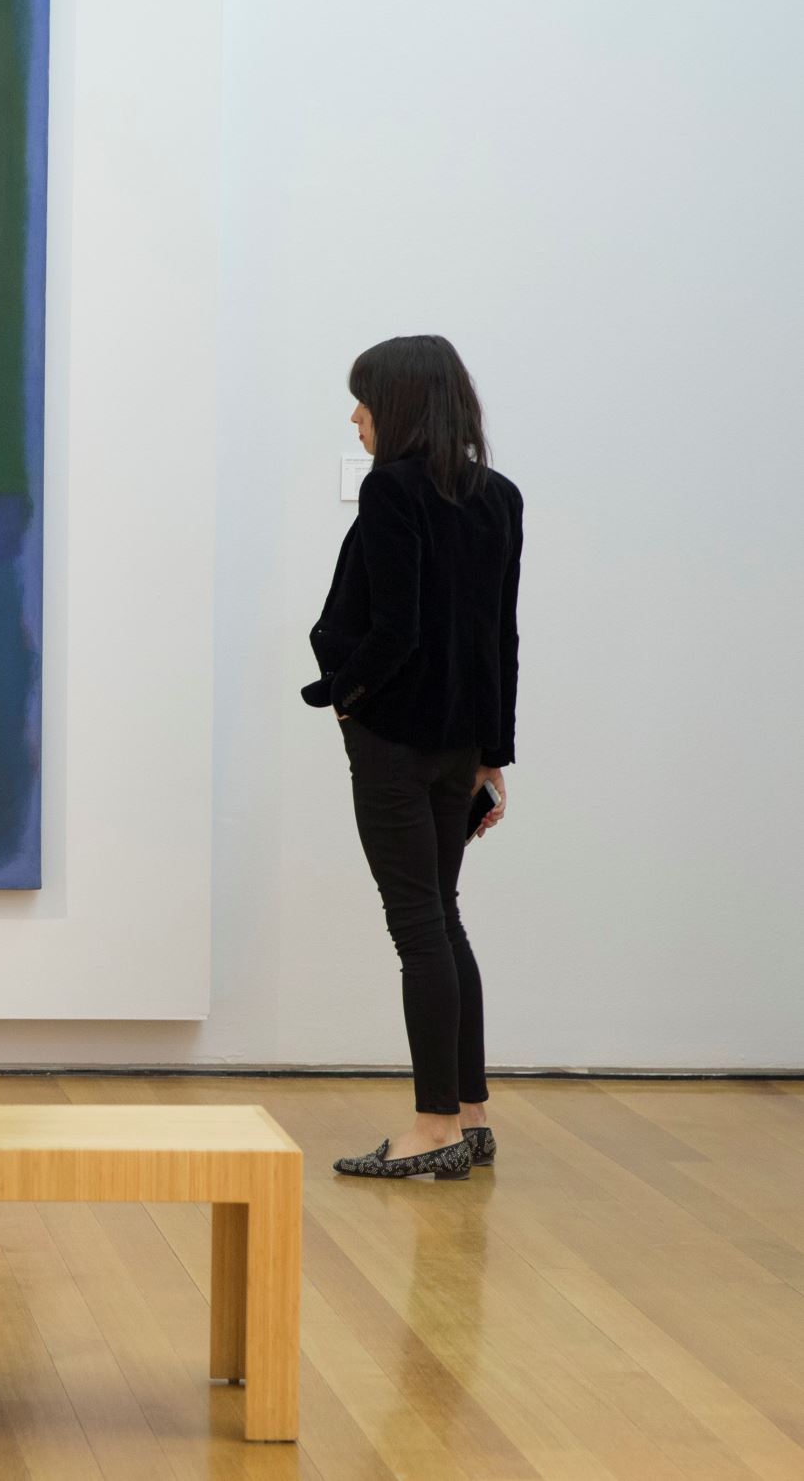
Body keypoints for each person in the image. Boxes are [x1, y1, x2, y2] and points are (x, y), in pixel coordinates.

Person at [303, 334, 523, 1180]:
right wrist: (492, 756)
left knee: (419, 927)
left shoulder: (390, 490)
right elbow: (499, 638)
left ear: (398, 404)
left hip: (394, 742)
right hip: (458, 744)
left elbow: (394, 627)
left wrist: (345, 696)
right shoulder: (498, 496)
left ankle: (433, 1128)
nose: (355, 416)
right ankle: (471, 1115)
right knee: (443, 916)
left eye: (364, 399)